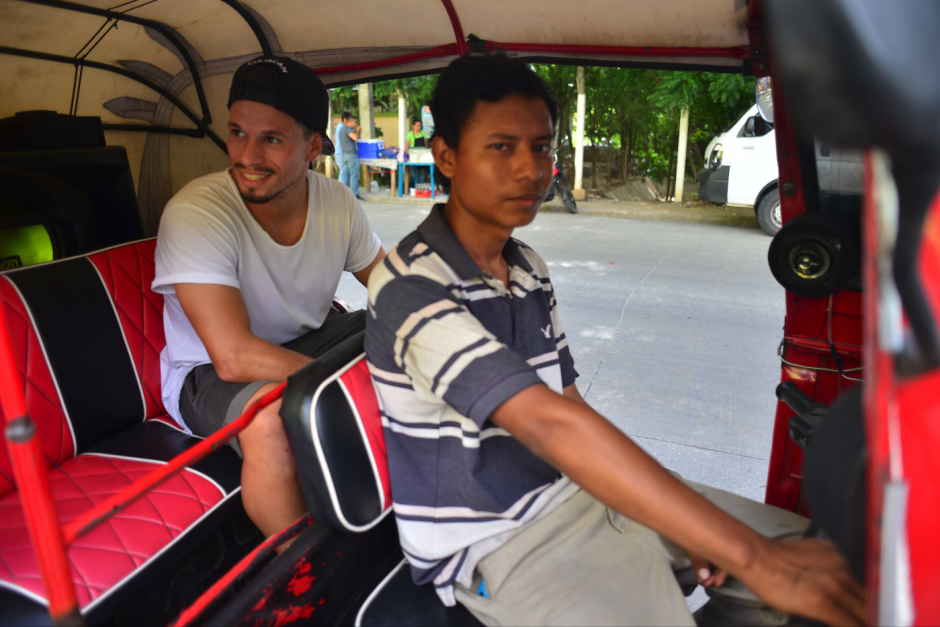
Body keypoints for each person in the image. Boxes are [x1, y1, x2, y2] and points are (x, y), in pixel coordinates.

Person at [364, 54, 865, 626]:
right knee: (771, 568)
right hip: (495, 539)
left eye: (542, 147)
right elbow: (549, 425)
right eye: (501, 147)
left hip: (581, 491)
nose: (531, 169)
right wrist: (748, 554)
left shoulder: (527, 267)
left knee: (830, 561)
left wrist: (691, 521)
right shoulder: (410, 284)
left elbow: (569, 404)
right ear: (446, 156)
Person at [152, 55, 386, 540]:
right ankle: (303, 574)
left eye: (272, 139)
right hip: (209, 375)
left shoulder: (337, 202)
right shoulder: (197, 212)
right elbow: (233, 356)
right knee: (272, 422)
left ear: (313, 147)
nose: (248, 156)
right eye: (238, 133)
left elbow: (390, 286)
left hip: (308, 342)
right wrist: (345, 385)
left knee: (403, 330)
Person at [337, 111, 362, 199]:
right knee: (353, 175)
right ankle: (355, 194)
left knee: (345, 176)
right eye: (355, 122)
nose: (356, 124)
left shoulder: (341, 129)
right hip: (351, 155)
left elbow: (341, 144)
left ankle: (344, 195)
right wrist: (358, 131)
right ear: (350, 122)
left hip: (344, 155)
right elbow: (355, 138)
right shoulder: (347, 129)